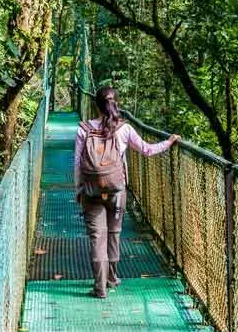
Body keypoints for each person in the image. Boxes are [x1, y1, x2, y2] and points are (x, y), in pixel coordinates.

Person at [74, 86, 179, 298]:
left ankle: (100, 287)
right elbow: (147, 150)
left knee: (97, 237)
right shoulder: (124, 129)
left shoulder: (84, 129)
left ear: (96, 105)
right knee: (114, 234)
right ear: (116, 104)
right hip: (117, 191)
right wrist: (168, 142)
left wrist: (78, 189)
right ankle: (112, 278)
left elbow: (77, 164)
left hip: (91, 191)